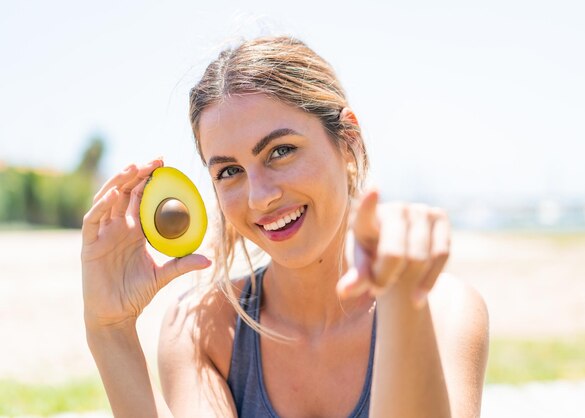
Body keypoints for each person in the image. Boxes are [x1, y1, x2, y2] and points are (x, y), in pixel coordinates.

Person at [81, 36, 489, 418]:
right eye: (230, 171)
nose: (260, 197)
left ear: (349, 142)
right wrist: (110, 330)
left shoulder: (441, 309)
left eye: (281, 151)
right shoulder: (203, 328)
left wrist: (402, 298)